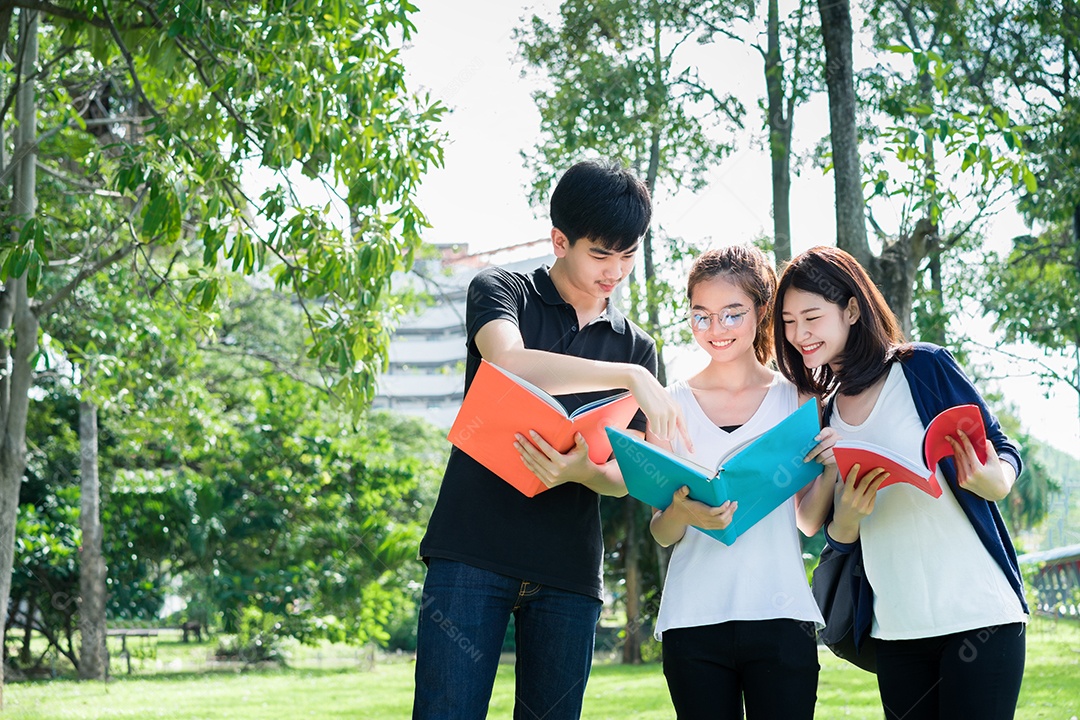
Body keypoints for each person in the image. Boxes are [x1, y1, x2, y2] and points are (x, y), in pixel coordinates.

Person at [413, 159, 689, 720]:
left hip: (568, 571)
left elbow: (627, 476)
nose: (616, 271)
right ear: (560, 240)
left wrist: (585, 473)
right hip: (472, 554)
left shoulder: (635, 345)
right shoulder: (503, 290)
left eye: (629, 255)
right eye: (600, 254)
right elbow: (508, 359)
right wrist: (628, 377)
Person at [774, 245, 1028, 720]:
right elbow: (826, 530)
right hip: (896, 631)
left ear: (851, 308)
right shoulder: (819, 411)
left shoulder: (922, 368)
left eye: (811, 317)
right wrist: (846, 518)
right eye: (788, 322)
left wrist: (995, 479)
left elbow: (1003, 449)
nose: (799, 334)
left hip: (981, 617)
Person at [648, 245, 838, 720]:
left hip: (780, 614)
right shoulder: (667, 403)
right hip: (694, 620)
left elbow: (809, 521)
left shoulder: (798, 398)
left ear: (762, 311)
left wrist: (831, 469)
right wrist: (683, 513)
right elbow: (661, 530)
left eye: (732, 314)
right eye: (702, 316)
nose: (716, 330)